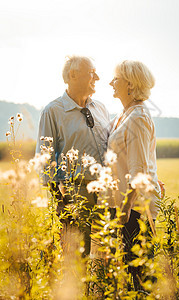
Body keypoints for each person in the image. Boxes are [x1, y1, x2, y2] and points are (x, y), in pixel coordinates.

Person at [36, 55, 110, 255]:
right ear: (73, 75)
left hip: (107, 193)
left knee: (108, 258)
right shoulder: (52, 111)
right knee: (77, 258)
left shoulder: (101, 108)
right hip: (74, 194)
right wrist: (59, 202)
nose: (98, 78)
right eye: (92, 73)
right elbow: (45, 159)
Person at [108, 60, 163, 290]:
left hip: (134, 209)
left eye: (116, 79)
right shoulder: (124, 115)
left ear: (130, 85)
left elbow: (138, 170)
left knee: (139, 275)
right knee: (126, 273)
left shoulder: (138, 118)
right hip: (124, 205)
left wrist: (124, 209)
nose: (111, 82)